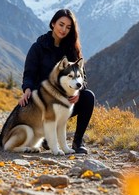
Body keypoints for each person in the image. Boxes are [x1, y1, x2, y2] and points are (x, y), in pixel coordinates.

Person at [18, 9, 95, 154]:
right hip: (42, 101)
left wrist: (79, 92)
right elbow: (29, 73)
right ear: (53, 23)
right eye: (61, 24)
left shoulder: (72, 50)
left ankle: (78, 142)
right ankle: (46, 137)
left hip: (64, 101)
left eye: (68, 27)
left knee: (88, 97)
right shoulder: (38, 47)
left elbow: (81, 77)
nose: (64, 30)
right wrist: (27, 90)